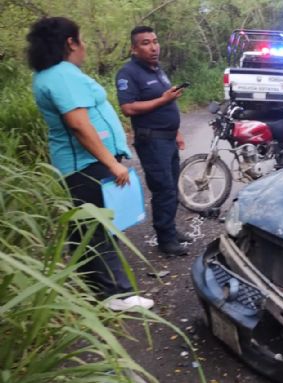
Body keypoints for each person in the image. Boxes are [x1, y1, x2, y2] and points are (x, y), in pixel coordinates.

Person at [28, 16, 154, 311]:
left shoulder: (51, 73)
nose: (84, 45)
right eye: (81, 38)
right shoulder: (61, 74)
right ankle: (118, 295)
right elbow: (79, 125)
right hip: (86, 164)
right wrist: (112, 163)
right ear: (70, 42)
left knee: (84, 229)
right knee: (98, 229)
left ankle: (91, 290)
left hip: (82, 164)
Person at [115, 26, 190, 257]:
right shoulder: (128, 73)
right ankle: (165, 239)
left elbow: (168, 102)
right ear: (134, 49)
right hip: (152, 140)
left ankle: (170, 229)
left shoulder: (158, 70)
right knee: (163, 189)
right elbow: (128, 108)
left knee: (172, 187)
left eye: (155, 41)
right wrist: (162, 99)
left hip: (168, 138)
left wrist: (176, 130)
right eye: (146, 43)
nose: (153, 46)